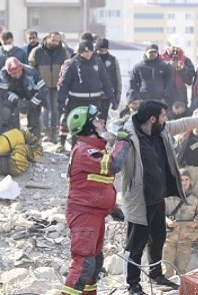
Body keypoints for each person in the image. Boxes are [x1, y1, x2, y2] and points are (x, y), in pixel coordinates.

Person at [119, 101, 198, 295]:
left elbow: (185, 123)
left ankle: (156, 273)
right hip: (139, 200)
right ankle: (133, 283)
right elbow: (116, 161)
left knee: (158, 238)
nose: (166, 120)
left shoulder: (161, 130)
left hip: (158, 197)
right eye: (163, 116)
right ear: (152, 119)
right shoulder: (129, 137)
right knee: (136, 243)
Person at [62, 105, 129, 295]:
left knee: (94, 265)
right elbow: (114, 165)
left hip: (94, 215)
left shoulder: (93, 150)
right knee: (83, 265)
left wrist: (112, 207)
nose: (102, 123)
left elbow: (95, 186)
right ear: (88, 127)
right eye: (97, 120)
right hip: (84, 215)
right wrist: (123, 142)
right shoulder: (85, 151)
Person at [56, 41, 115, 145]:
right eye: (85, 52)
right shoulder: (72, 64)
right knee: (78, 128)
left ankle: (91, 150)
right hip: (76, 102)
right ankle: (76, 150)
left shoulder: (98, 62)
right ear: (80, 52)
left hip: (94, 101)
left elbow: (105, 81)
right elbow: (64, 84)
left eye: (90, 51)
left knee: (93, 127)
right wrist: (60, 102)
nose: (88, 54)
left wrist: (112, 97)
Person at [162, 170, 198, 278]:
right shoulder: (168, 195)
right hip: (169, 240)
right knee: (166, 271)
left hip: (186, 240)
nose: (184, 182)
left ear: (190, 181)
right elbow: (157, 215)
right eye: (181, 179)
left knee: (182, 272)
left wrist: (196, 223)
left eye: (187, 179)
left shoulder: (196, 198)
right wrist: (167, 221)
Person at [30, 32, 70, 143]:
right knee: (46, 110)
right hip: (43, 85)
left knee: (56, 110)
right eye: (53, 40)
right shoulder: (37, 51)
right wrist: (35, 83)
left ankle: (55, 133)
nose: (55, 43)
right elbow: (31, 68)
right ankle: (46, 133)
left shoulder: (63, 52)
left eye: (57, 41)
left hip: (57, 85)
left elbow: (68, 67)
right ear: (47, 39)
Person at [0, 31, 29, 131]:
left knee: (14, 112)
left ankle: (15, 135)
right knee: (0, 113)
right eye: (4, 43)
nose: (7, 45)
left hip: (15, 88)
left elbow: (26, 71)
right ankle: (1, 135)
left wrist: (25, 89)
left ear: (13, 40)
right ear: (0, 42)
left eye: (9, 42)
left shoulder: (21, 53)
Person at [0, 57, 46, 136]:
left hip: (32, 95)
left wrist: (31, 103)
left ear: (21, 69)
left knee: (34, 120)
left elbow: (43, 90)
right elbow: (4, 92)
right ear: (9, 72)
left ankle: (35, 141)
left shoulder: (31, 72)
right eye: (13, 74)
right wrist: (18, 101)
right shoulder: (3, 74)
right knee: (8, 114)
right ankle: (16, 138)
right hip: (14, 95)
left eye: (18, 72)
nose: (17, 75)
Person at [95, 38, 122, 110]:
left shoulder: (112, 60)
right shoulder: (91, 59)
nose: (103, 53)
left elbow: (117, 80)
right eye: (101, 50)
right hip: (93, 96)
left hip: (106, 96)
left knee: (103, 120)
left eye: (105, 50)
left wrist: (117, 98)